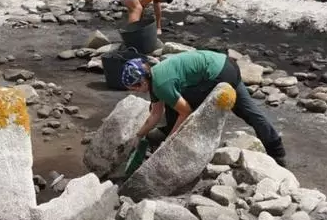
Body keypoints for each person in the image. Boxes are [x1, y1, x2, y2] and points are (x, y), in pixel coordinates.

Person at [120, 50, 287, 166]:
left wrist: (168, 142)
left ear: (142, 82)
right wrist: (138, 136)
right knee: (248, 112)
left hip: (218, 74)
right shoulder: (155, 75)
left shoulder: (161, 85)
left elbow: (185, 111)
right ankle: (277, 152)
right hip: (226, 64)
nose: (135, 91)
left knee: (182, 104)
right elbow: (155, 114)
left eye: (134, 88)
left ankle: (179, 141)